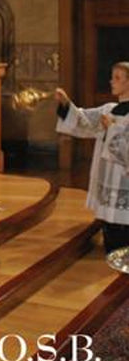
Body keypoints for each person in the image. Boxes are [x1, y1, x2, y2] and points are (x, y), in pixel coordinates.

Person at [55, 61, 129, 254]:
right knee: (110, 235)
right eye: (112, 77)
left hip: (124, 185)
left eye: (117, 78)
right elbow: (84, 121)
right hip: (107, 183)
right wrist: (66, 105)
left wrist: (112, 130)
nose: (111, 81)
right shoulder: (109, 110)